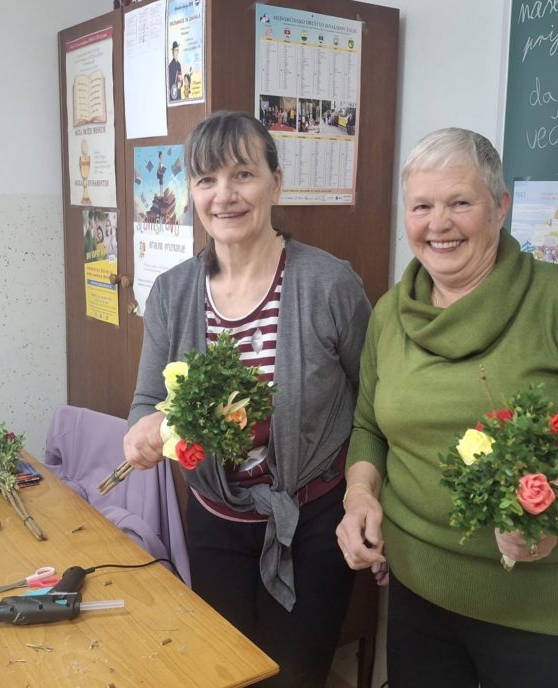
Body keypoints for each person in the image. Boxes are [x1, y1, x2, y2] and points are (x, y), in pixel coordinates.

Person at [336, 127, 558, 688]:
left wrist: (556, 514)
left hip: (542, 615)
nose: (438, 224)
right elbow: (370, 428)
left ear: (500, 207)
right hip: (418, 594)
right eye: (422, 206)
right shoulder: (391, 314)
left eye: (460, 203)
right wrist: (359, 497)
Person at [123, 110, 372, 687]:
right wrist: (142, 431)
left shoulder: (329, 284)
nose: (224, 195)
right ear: (192, 193)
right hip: (215, 521)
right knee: (225, 672)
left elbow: (372, 403)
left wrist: (366, 496)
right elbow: (148, 399)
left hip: (312, 524)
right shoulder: (172, 292)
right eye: (206, 179)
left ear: (275, 183)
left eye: (243, 174)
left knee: (295, 677)